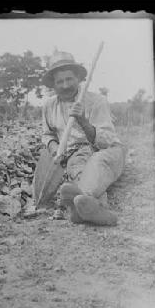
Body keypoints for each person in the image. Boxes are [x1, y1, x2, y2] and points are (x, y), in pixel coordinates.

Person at [40, 51, 127, 226]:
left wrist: (83, 121)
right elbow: (47, 134)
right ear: (53, 85)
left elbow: (107, 141)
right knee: (79, 170)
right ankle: (94, 210)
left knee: (96, 162)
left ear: (79, 78)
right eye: (60, 81)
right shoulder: (49, 105)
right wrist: (54, 147)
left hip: (106, 153)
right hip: (75, 156)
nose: (65, 85)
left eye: (69, 79)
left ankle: (81, 204)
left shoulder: (97, 101)